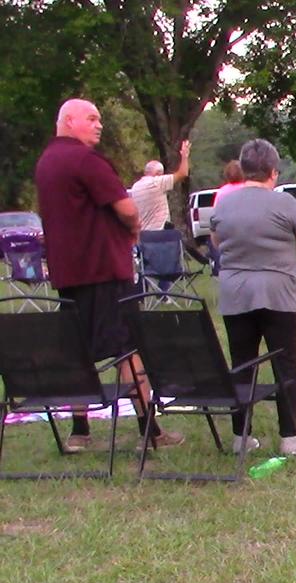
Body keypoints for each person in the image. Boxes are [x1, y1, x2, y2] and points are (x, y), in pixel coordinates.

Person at [34, 98, 183, 452]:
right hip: (104, 270)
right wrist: (132, 230)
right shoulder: (86, 160)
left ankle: (79, 431)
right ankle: (150, 429)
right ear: (69, 121)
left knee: (78, 350)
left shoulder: (45, 163)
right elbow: (127, 208)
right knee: (128, 349)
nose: (99, 124)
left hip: (68, 274)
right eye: (92, 118)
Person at [209, 139, 296, 456]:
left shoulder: (224, 204)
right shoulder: (284, 204)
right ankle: (289, 437)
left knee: (241, 363)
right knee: (285, 362)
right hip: (278, 293)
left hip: (236, 294)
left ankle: (241, 436)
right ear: (274, 171)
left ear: (243, 170)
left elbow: (216, 240)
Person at [130, 141, 191, 231]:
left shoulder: (135, 186)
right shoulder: (156, 183)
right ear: (159, 174)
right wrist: (184, 155)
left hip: (143, 234)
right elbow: (183, 173)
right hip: (159, 234)